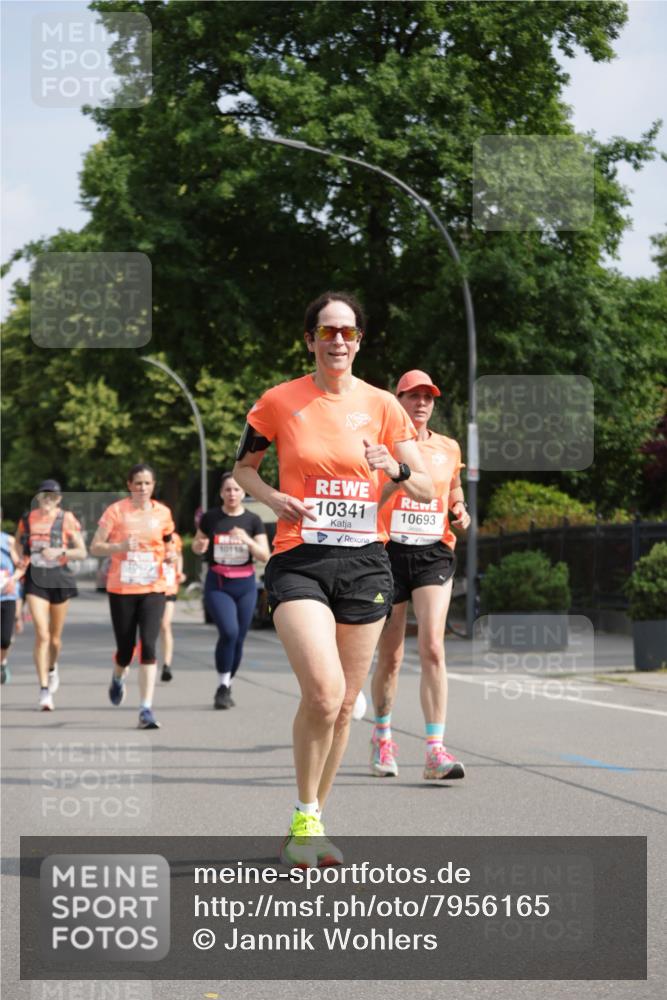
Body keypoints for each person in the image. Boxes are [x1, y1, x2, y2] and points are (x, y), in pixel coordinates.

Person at [234, 291, 434, 868]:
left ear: (359, 341)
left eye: (347, 332)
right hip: (300, 558)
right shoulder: (278, 401)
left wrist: (394, 466)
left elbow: (425, 487)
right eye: (327, 331)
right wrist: (274, 499)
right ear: (310, 340)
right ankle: (304, 815)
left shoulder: (383, 406)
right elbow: (243, 470)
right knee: (322, 692)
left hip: (366, 563)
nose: (338, 340)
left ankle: (311, 822)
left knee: (345, 704)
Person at [371, 370, 471, 781]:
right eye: (413, 396)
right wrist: (398, 478)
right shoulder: (381, 447)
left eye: (427, 397)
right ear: (398, 401)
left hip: (433, 552)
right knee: (391, 656)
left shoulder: (448, 447)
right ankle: (382, 736)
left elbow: (454, 488)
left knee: (432, 646)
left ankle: (435, 751)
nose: (421, 403)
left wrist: (459, 509)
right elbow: (370, 500)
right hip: (389, 551)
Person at [90, 464, 176, 729]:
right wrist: (120, 546)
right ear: (129, 485)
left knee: (148, 646)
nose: (142, 488)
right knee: (126, 650)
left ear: (153, 485)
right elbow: (95, 547)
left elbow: (169, 541)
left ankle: (145, 709)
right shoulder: (116, 511)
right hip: (122, 589)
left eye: (147, 483)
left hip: (154, 587)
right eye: (138, 483)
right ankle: (118, 676)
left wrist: (171, 555)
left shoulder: (163, 513)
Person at [192, 473, 270, 708]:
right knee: (229, 632)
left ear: (243, 492)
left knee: (239, 639)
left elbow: (265, 555)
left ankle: (227, 684)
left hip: (245, 585)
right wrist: (199, 546)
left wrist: (247, 540)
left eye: (236, 489)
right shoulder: (211, 518)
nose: (232, 494)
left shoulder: (253, 520)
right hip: (218, 583)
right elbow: (197, 544)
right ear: (221, 493)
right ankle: (222, 686)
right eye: (228, 490)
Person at [15, 481, 87, 710]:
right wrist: (20, 558)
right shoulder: (28, 519)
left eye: (53, 496)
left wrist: (60, 551)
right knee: (42, 634)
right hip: (35, 579)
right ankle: (44, 690)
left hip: (59, 579)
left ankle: (52, 667)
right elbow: (18, 543)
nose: (48, 499)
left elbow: (82, 552)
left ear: (59, 499)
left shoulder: (66, 519)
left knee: (55, 639)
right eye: (44, 495)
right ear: (38, 497)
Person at [159, 530, 185, 682]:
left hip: (169, 586)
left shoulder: (174, 537)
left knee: (165, 625)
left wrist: (179, 572)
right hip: (150, 586)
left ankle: (166, 665)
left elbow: (179, 555)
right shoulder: (147, 534)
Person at [1, 519, 22, 685]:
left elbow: (21, 565)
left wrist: (13, 580)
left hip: (7, 595)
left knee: (5, 639)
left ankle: (2, 663)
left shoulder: (9, 541)